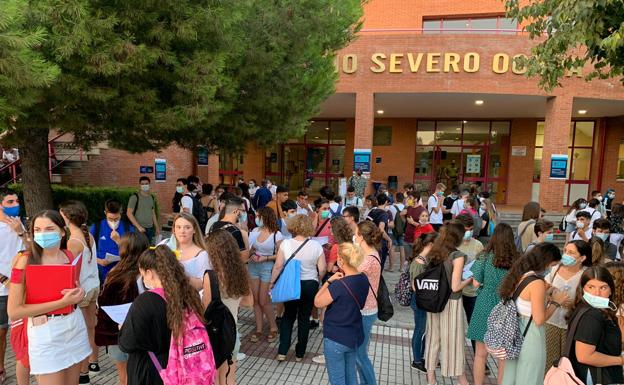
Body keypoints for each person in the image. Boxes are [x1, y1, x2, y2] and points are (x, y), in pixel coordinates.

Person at [8, 210, 90, 385]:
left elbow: (75, 289)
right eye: (37, 230)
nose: (42, 234)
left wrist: (80, 293)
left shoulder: (68, 256)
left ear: (62, 231)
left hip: (73, 327)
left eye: (49, 229)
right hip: (45, 332)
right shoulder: (25, 260)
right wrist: (61, 303)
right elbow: (14, 311)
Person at [118, 245, 206, 385]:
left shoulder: (146, 301)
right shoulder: (189, 294)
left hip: (152, 372)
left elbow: (126, 344)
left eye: (142, 273)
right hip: (184, 368)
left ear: (149, 272)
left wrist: (123, 328)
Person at [498, 243, 567, 385]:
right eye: (553, 264)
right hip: (531, 336)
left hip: (515, 332)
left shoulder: (520, 274)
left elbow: (524, 303)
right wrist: (556, 302)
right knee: (530, 376)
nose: (551, 268)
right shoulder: (536, 283)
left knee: (512, 376)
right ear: (546, 262)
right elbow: (539, 319)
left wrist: (545, 294)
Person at [467, 223, 519, 385]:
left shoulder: (484, 256)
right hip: (506, 305)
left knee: (480, 354)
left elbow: (475, 283)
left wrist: (485, 285)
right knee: (503, 356)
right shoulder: (517, 259)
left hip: (484, 303)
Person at [95, 232, 149, 385]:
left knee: (123, 376)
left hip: (115, 334)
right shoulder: (145, 274)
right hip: (138, 333)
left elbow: (102, 301)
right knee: (137, 375)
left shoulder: (114, 272)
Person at [270, 215, 326, 362]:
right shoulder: (316, 246)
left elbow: (278, 266)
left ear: (293, 226)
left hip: (291, 284)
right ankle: (300, 353)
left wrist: (272, 282)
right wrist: (317, 281)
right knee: (304, 317)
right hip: (310, 284)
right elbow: (322, 269)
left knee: (288, 316)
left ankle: (282, 351)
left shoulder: (286, 244)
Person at [424, 221, 473, 385]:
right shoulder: (457, 256)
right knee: (453, 340)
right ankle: (461, 379)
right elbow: (455, 286)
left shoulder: (435, 252)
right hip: (451, 303)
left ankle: (431, 379)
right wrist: (469, 280)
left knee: (433, 339)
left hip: (433, 301)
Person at [313, 242, 369, 385]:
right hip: (355, 335)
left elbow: (317, 302)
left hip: (336, 337)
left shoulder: (339, 285)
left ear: (342, 261)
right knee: (351, 376)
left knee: (337, 380)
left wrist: (328, 282)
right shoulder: (363, 278)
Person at [59, 201, 101, 384]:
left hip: (82, 289)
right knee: (91, 328)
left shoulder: (73, 241)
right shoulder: (88, 235)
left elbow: (69, 270)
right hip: (94, 285)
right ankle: (94, 362)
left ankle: (83, 372)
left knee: (82, 332)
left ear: (67, 217)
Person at [203, 230, 253, 385]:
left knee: (216, 378)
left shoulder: (211, 276)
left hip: (215, 335)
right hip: (232, 332)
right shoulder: (240, 272)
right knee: (230, 376)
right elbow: (249, 303)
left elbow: (206, 311)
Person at [566, 266, 624, 385]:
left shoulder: (584, 309)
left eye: (603, 287)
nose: (597, 293)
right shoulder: (592, 315)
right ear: (583, 289)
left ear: (611, 290)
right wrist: (621, 360)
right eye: (591, 287)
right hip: (597, 377)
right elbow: (584, 356)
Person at [542, 240, 591, 372]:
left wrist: (574, 304)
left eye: (571, 252)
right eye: (565, 251)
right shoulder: (555, 269)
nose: (566, 255)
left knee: (568, 363)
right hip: (551, 322)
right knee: (549, 362)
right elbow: (543, 288)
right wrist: (552, 295)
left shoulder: (587, 274)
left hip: (573, 326)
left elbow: (591, 301)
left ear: (582, 258)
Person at [0, 188, 25, 382]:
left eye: (16, 200)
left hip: (22, 287)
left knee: (21, 330)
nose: (15, 204)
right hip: (3, 289)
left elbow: (32, 250)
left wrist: (20, 232)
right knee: (1, 331)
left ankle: (23, 366)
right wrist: (5, 280)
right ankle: (1, 367)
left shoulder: (21, 225)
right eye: (10, 202)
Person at [247, 208, 282, 344]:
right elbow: (249, 249)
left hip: (267, 267)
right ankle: (259, 329)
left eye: (258, 215)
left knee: (263, 300)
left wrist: (265, 258)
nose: (256, 218)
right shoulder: (255, 231)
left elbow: (280, 255)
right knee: (255, 300)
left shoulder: (276, 234)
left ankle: (273, 327)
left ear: (265, 217)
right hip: (253, 266)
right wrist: (251, 253)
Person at [353, 221, 382, 385]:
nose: (354, 237)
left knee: (360, 354)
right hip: (366, 309)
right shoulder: (370, 253)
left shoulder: (368, 260)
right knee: (359, 353)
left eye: (356, 234)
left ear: (362, 237)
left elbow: (350, 276)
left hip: (365, 311)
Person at [454, 214, 484, 352]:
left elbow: (481, 265)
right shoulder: (453, 243)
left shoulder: (478, 245)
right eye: (466, 229)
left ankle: (479, 357)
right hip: (454, 292)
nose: (468, 232)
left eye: (471, 229)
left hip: (472, 292)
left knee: (474, 326)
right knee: (453, 326)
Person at [408, 232, 438, 373]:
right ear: (431, 244)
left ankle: (421, 357)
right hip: (420, 301)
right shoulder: (418, 262)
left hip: (425, 301)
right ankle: (417, 360)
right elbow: (414, 287)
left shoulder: (426, 260)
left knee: (425, 329)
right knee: (420, 330)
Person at [91, 199, 134, 284]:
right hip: (100, 272)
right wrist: (98, 261)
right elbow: (87, 251)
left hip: (122, 271)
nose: (113, 222)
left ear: (120, 214)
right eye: (110, 219)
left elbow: (133, 252)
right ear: (105, 213)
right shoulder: (96, 227)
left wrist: (118, 241)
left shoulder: (128, 228)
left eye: (116, 219)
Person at [168, 213, 211, 290]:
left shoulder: (202, 255)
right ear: (174, 229)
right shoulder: (167, 247)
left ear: (194, 230)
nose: (182, 231)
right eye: (178, 227)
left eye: (187, 227)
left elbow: (203, 284)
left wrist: (180, 275)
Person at [208, 196, 250, 262]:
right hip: (230, 269)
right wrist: (245, 236)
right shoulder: (235, 231)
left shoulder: (214, 225)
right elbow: (244, 259)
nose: (244, 213)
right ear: (236, 211)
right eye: (243, 211)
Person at [126, 176, 160, 244]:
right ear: (140, 185)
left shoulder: (152, 197)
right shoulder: (134, 197)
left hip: (150, 228)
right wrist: (139, 227)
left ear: (149, 185)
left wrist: (157, 227)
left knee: (148, 248)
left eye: (146, 183)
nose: (144, 185)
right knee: (139, 249)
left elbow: (153, 213)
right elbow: (129, 213)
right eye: (142, 184)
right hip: (139, 229)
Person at [365, 194, 393, 271]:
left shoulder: (372, 212)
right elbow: (381, 229)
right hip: (380, 243)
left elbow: (366, 226)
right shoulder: (384, 214)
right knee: (379, 267)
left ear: (377, 201)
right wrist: (389, 239)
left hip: (370, 241)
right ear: (386, 202)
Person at [403, 193, 426, 258]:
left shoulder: (422, 210)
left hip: (416, 240)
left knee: (416, 260)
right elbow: (403, 218)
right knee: (407, 260)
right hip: (407, 238)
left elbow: (424, 226)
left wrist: (413, 222)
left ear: (415, 199)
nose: (408, 200)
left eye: (410, 198)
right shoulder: (409, 208)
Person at [387, 192, 406, 272]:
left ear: (395, 198)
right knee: (402, 248)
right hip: (402, 231)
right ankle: (401, 268)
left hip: (392, 230)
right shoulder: (405, 208)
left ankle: (391, 268)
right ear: (403, 199)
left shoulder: (391, 207)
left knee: (392, 248)